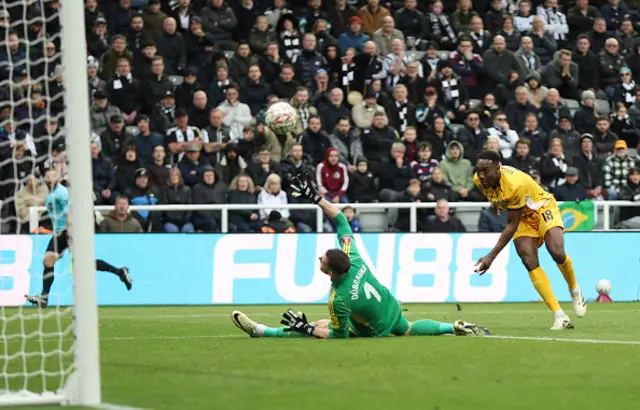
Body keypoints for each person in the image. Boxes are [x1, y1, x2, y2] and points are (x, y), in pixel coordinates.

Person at [231, 173, 490, 339]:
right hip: (391, 307)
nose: (319, 258)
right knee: (407, 328)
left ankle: (262, 332)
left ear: (330, 272)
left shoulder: (339, 298)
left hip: (374, 329)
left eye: (322, 260)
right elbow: (341, 220)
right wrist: (316, 198)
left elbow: (338, 336)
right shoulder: (352, 256)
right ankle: (451, 327)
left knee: (318, 326)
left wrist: (307, 329)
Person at [473, 150, 586, 330]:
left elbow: (511, 225)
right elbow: (497, 196)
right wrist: (497, 204)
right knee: (528, 259)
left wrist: (491, 256)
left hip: (541, 208)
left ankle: (574, 289)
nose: (481, 175)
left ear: (498, 168)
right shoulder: (479, 181)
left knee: (556, 251)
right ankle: (559, 315)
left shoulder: (514, 184)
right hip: (523, 217)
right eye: (478, 170)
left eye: (486, 170)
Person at [25, 169, 133, 308]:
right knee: (49, 260)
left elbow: (70, 211)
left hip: (68, 232)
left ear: (57, 178)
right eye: (47, 176)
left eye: (52, 176)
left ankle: (119, 272)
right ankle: (44, 298)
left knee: (81, 263)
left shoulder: (62, 193)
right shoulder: (52, 193)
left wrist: (71, 231)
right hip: (59, 233)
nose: (48, 179)